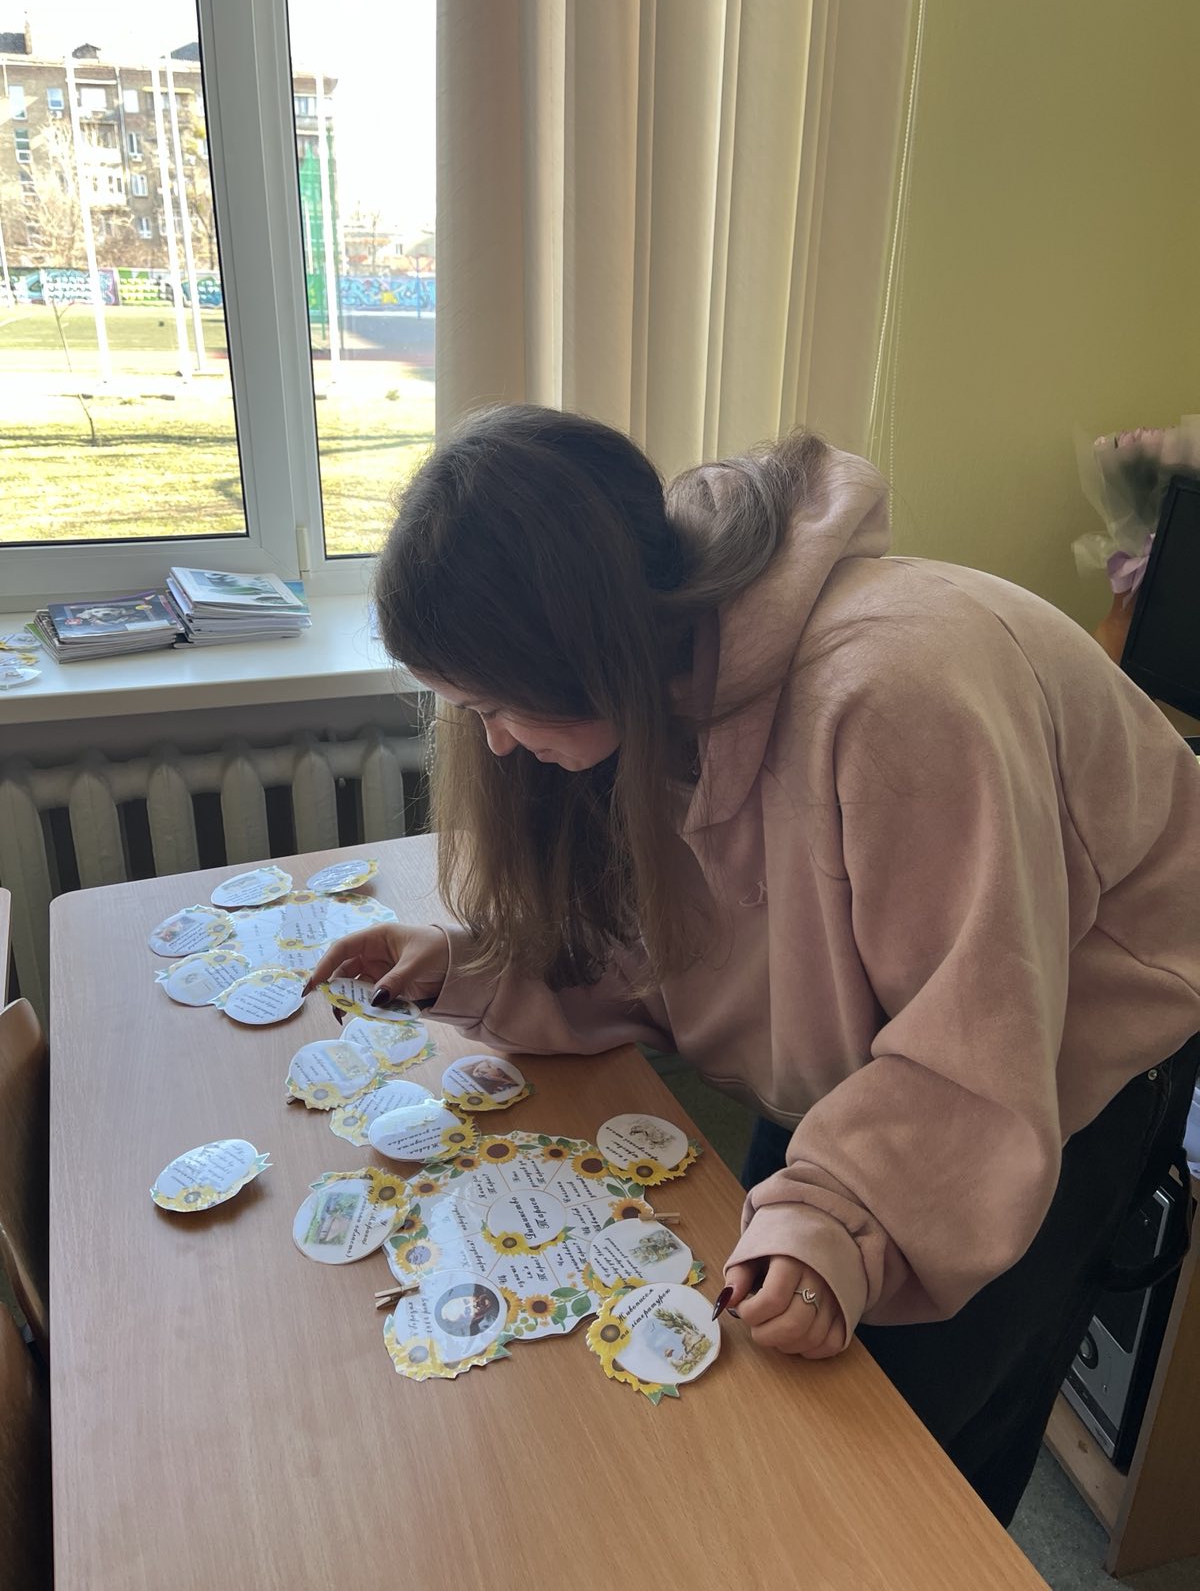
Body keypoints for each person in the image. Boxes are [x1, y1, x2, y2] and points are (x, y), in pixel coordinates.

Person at [306, 405, 1200, 1521]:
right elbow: (673, 944)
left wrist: (842, 1224)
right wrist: (468, 965)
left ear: (580, 646)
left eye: (496, 704)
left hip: (1059, 1055)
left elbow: (975, 1048)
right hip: (879, 1053)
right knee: (779, 1383)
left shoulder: (896, 697)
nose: (492, 741)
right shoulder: (658, 676)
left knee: (915, 1469)